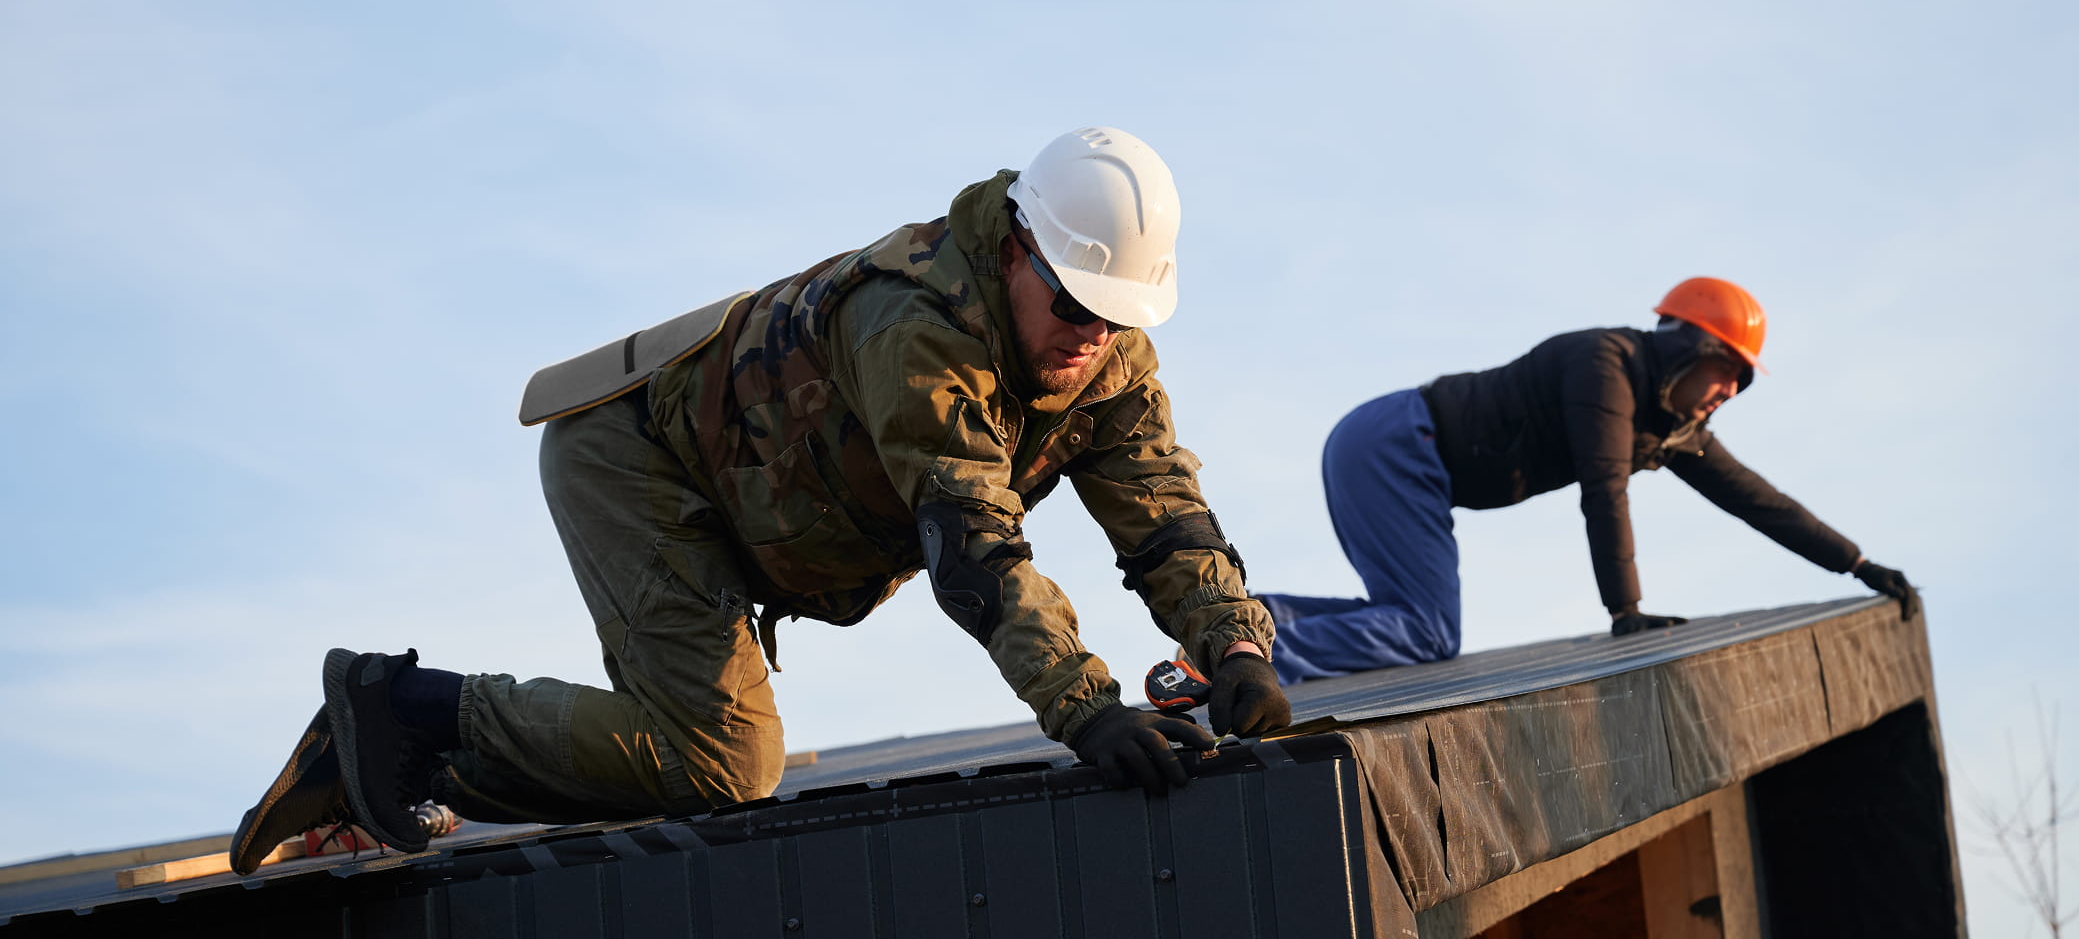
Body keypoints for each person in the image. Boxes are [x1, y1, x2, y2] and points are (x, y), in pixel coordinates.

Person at [228, 127, 1291, 872]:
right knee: (725, 760)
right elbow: (974, 547)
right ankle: (398, 711)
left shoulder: (1102, 359)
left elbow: (1163, 513)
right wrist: (1088, 710)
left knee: (704, 760)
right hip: (637, 458)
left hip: (743, 511)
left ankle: (380, 766)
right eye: (1069, 303)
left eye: (1114, 315)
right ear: (1016, 250)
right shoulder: (918, 327)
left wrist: (1238, 653)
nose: (1088, 335)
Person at [1254, 277, 1920, 685]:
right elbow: (1605, 489)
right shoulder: (1605, 364)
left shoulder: (1669, 425)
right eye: (1729, 372)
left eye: (1742, 384)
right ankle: (1244, 658)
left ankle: (1247, 623)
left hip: (1396, 452)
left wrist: (1856, 564)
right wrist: (1625, 612)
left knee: (1409, 620)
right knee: (1427, 631)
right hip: (1395, 444)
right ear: (1695, 345)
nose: (1731, 392)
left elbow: (1758, 501)